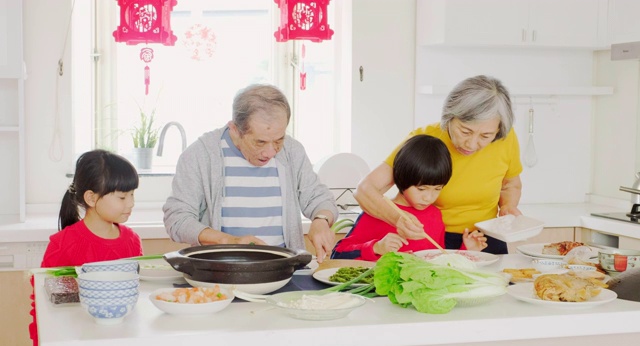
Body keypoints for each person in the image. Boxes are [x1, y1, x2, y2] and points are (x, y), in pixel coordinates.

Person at [163, 84, 338, 262]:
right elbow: (177, 218)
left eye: (279, 140)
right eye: (260, 142)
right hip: (220, 271)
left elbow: (319, 197)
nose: (271, 152)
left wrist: (321, 220)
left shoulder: (293, 151)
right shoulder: (201, 154)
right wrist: (229, 242)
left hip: (283, 271)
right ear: (235, 130)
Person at [354, 75, 522, 255]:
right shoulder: (425, 141)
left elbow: (510, 184)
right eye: (465, 131)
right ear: (449, 117)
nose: (472, 144)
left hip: (487, 238)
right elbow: (365, 190)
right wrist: (398, 220)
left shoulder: (505, 138)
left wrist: (507, 206)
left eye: (485, 136)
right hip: (436, 239)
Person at [32, 149, 143, 346]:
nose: (131, 203)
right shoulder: (63, 244)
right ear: (91, 198)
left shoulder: (132, 241)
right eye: (122, 196)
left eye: (132, 194)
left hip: (120, 345)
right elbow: (43, 305)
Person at [331, 135, 487, 261]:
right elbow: (338, 255)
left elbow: (439, 260)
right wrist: (376, 248)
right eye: (421, 189)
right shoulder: (376, 212)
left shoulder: (434, 215)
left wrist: (467, 250)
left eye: (437, 189)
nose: (428, 197)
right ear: (402, 178)